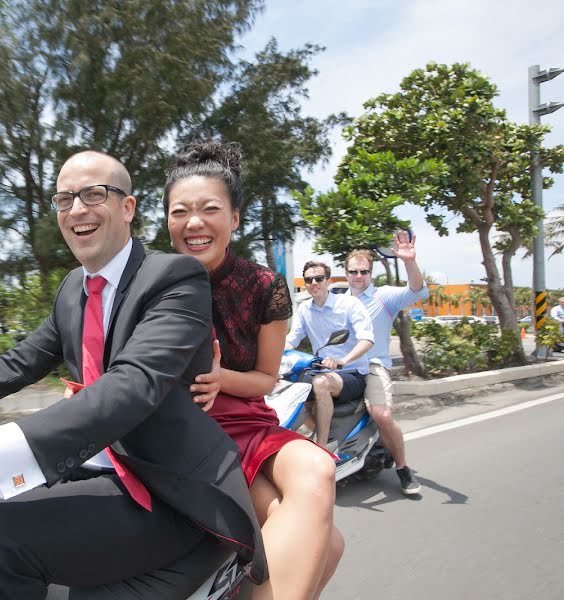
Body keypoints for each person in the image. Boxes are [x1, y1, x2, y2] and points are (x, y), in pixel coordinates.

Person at [0, 150, 266, 599]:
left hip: (160, 487)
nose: (77, 209)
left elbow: (134, 384)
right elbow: (20, 363)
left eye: (93, 194)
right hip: (86, 464)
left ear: (128, 208)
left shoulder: (174, 278)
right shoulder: (73, 289)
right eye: (64, 199)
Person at [165, 140, 343, 600]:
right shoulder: (149, 280)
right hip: (187, 429)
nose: (194, 223)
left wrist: (221, 379)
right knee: (330, 545)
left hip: (248, 418)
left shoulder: (265, 286)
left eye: (209, 209)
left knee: (318, 468)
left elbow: (267, 379)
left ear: (235, 219)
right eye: (180, 211)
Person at [345, 239, 427, 495]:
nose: (358, 276)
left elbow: (418, 291)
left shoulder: (383, 296)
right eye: (353, 271)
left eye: (364, 271)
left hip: (373, 365)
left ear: (371, 273)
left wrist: (409, 261)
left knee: (382, 415)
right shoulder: (338, 300)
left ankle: (403, 469)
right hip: (344, 367)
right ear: (345, 272)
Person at [286, 261, 374, 450]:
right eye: (309, 279)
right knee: (290, 385)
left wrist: (342, 360)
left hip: (352, 373)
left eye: (319, 278)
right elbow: (292, 340)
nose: (314, 283)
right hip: (323, 370)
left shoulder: (349, 304)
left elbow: (367, 339)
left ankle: (322, 446)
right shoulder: (304, 309)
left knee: (320, 383)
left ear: (328, 281)